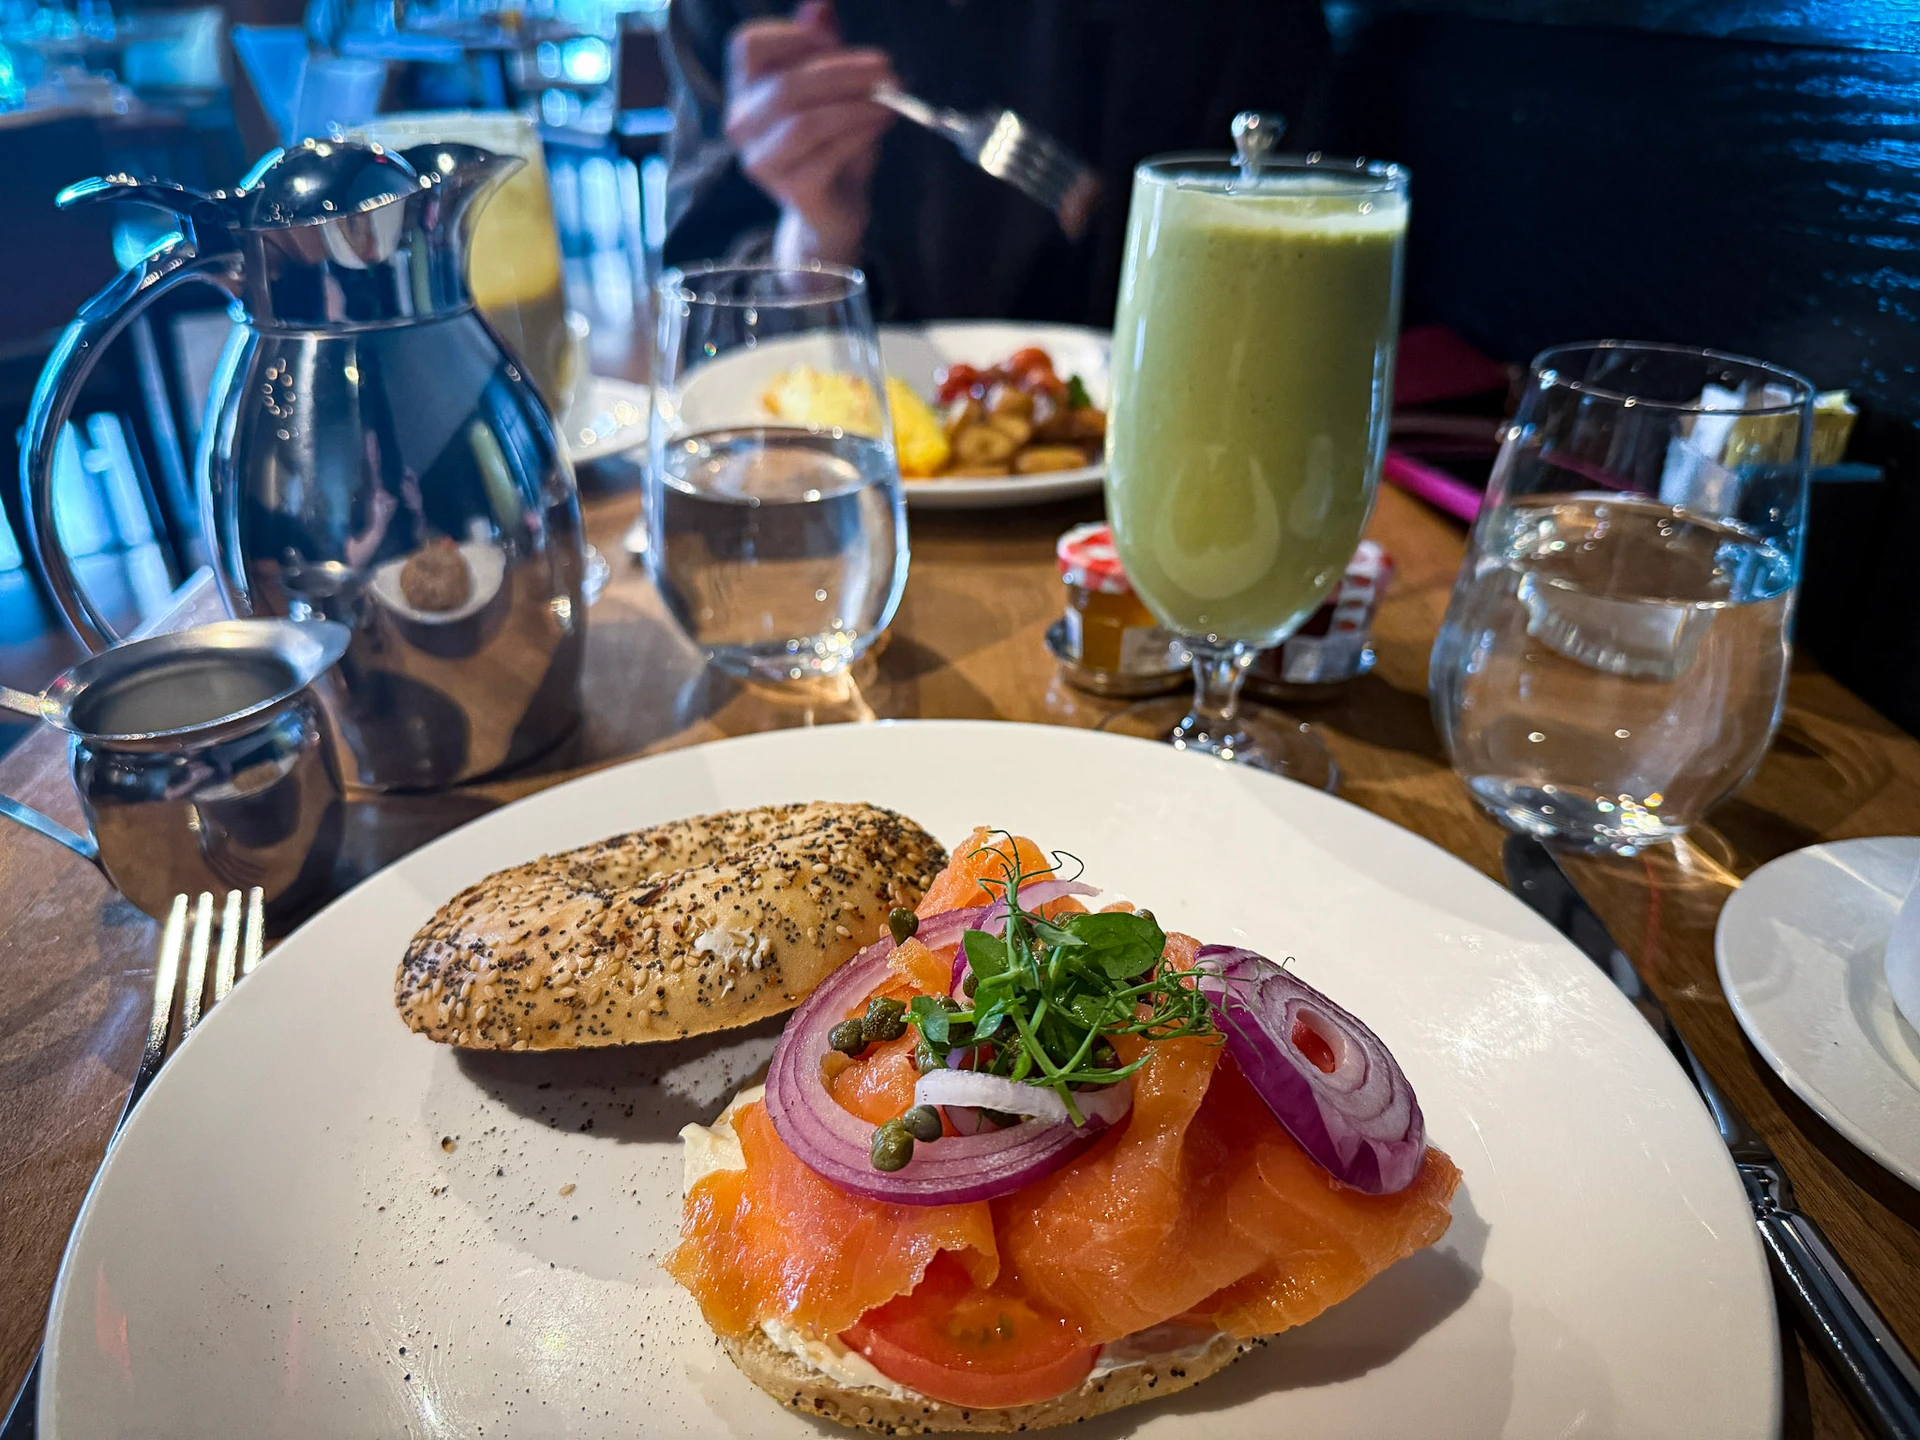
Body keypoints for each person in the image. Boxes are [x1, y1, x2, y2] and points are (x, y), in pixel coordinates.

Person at [662, 0, 1331, 326]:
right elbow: (698, 326)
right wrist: (810, 245)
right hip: (841, 491)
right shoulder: (756, 19)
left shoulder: (1235, 21)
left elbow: (1299, 300)